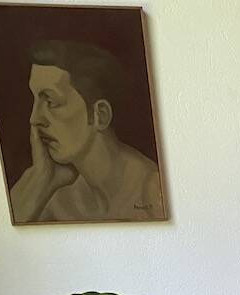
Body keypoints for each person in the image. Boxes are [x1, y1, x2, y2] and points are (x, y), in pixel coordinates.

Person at [9, 40, 164, 223]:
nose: (34, 119)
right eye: (35, 101)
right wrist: (39, 179)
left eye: (50, 102)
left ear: (100, 115)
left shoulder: (154, 192)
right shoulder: (50, 194)